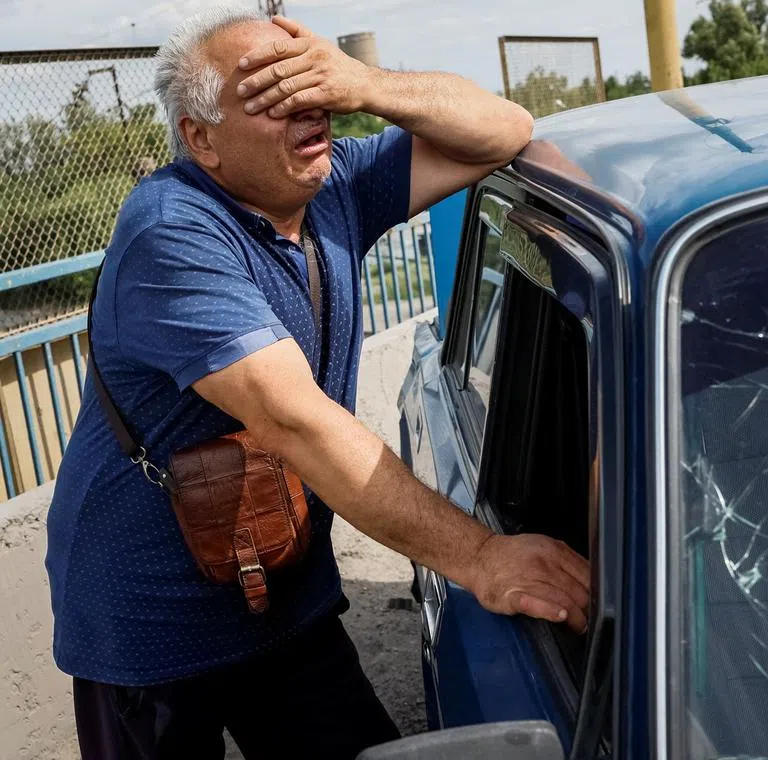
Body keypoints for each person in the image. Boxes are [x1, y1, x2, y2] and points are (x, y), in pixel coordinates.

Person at [44, 8, 590, 760]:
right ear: (201, 137)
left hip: (282, 593)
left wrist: (364, 81)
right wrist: (483, 559)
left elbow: (504, 128)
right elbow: (295, 421)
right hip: (152, 624)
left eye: (311, 80)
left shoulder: (331, 183)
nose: (311, 107)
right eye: (273, 93)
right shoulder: (173, 232)